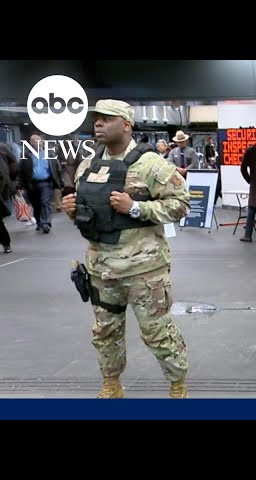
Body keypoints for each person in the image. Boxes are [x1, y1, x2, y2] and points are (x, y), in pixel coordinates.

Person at [61, 99, 191, 399]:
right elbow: (89, 214)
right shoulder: (87, 166)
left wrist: (136, 208)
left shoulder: (152, 164)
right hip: (101, 270)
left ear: (127, 125)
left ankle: (177, 386)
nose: (98, 124)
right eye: (97, 118)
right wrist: (72, 210)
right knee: (105, 333)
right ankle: (112, 384)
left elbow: (181, 204)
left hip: (144, 271)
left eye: (107, 118)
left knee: (157, 332)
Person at [239, 141, 256, 242]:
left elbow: (243, 168)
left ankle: (248, 235)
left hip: (255, 184)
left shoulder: (250, 151)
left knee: (252, 209)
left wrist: (249, 180)